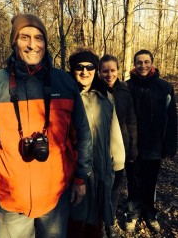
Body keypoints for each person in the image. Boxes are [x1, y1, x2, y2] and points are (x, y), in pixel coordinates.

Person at [0, 13, 92, 238]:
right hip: (10, 199)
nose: (32, 45)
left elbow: (83, 135)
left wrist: (80, 178)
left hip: (55, 197)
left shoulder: (65, 83)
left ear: (46, 44)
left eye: (39, 38)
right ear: (13, 42)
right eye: (24, 37)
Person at [67, 48, 125, 238]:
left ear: (96, 68)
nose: (85, 71)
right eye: (79, 67)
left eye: (90, 66)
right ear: (72, 69)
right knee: (74, 220)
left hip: (101, 168)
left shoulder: (105, 96)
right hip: (73, 172)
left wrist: (118, 161)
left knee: (97, 220)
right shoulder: (66, 95)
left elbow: (113, 128)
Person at [125, 49, 177, 233]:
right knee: (133, 181)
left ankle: (150, 214)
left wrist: (170, 145)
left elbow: (172, 119)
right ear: (134, 64)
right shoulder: (127, 87)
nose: (143, 66)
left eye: (146, 62)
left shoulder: (164, 88)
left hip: (155, 146)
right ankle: (132, 214)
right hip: (132, 146)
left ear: (152, 63)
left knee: (150, 182)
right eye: (139, 62)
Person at [99, 54, 138, 234]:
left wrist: (132, 147)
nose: (109, 74)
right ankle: (98, 225)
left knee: (115, 189)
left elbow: (131, 121)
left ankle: (110, 222)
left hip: (119, 147)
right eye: (105, 71)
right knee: (100, 189)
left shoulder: (124, 91)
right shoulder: (95, 90)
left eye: (112, 70)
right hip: (98, 148)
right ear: (99, 72)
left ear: (118, 70)